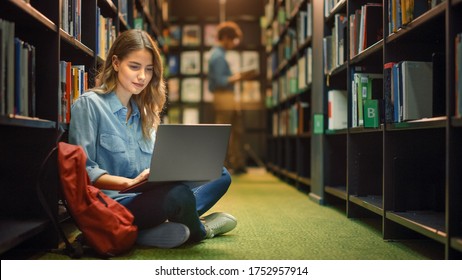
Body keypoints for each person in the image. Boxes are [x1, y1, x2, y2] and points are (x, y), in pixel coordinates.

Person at [68, 29, 237, 249]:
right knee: (178, 196)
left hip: (149, 198)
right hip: (113, 204)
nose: (142, 77)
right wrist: (129, 183)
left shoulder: (145, 112)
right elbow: (84, 172)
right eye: (134, 67)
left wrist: (178, 169)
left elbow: (155, 167)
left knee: (220, 174)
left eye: (149, 70)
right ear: (116, 63)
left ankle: (143, 231)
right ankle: (201, 230)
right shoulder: (89, 104)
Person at [208, 21, 255, 174]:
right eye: (233, 39)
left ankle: (233, 163)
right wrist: (240, 77)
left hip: (225, 96)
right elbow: (221, 80)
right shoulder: (218, 56)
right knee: (227, 132)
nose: (234, 43)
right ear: (226, 38)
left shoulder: (217, 55)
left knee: (234, 130)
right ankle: (224, 165)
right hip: (224, 96)